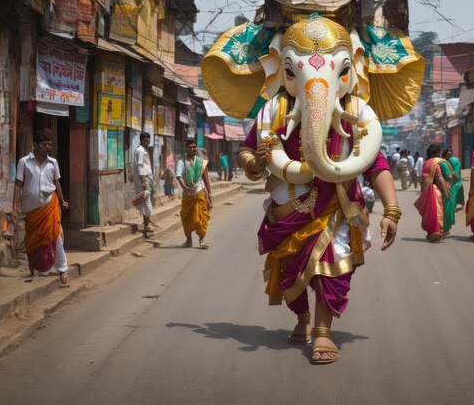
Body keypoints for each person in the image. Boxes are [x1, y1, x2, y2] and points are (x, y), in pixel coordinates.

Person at [238, 103, 399, 365]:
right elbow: (247, 149)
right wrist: (255, 162)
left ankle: (323, 332)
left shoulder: (355, 108)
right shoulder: (276, 108)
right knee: (290, 268)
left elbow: (373, 160)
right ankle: (303, 317)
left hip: (334, 203)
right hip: (286, 208)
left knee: (331, 261)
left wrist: (392, 209)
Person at [12, 131, 70, 284]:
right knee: (31, 240)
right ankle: (33, 268)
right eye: (44, 145)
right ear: (36, 144)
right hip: (31, 210)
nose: (48, 148)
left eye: (50, 145)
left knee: (55, 237)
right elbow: (18, 184)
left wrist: (62, 200)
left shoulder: (53, 163)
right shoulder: (24, 162)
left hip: (49, 206)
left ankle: (63, 270)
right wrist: (14, 206)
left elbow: (56, 182)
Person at [176, 138, 212, 249]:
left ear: (196, 148)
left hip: (200, 193)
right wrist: (185, 187)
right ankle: (188, 240)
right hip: (187, 195)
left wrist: (209, 193)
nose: (192, 149)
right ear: (186, 148)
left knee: (202, 217)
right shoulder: (181, 162)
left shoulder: (201, 162)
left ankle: (202, 240)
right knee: (186, 218)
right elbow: (179, 176)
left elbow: (206, 178)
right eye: (189, 147)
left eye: (193, 147)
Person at [413, 144, 451, 242]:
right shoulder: (436, 162)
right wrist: (446, 191)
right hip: (434, 189)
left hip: (426, 189)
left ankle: (431, 233)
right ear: (438, 153)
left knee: (429, 212)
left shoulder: (426, 162)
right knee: (436, 212)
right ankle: (436, 232)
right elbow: (439, 177)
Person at [134, 132, 157, 232]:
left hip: (148, 177)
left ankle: (146, 221)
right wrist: (143, 181)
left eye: (148, 139)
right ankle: (147, 225)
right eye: (145, 140)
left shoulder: (144, 150)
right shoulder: (140, 150)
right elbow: (139, 165)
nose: (147, 141)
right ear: (141, 140)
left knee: (147, 200)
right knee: (146, 201)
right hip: (143, 178)